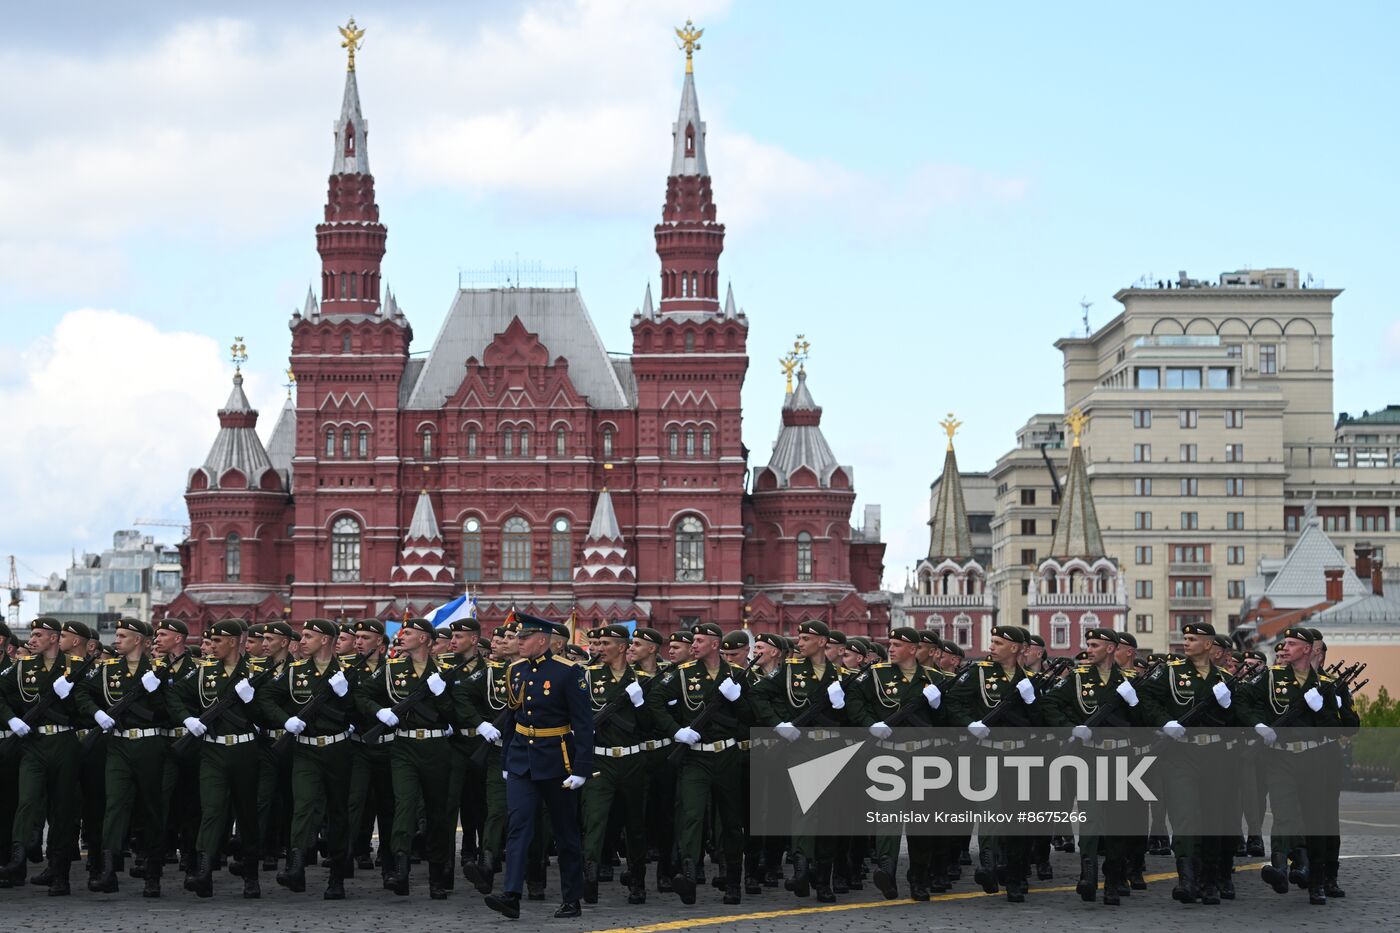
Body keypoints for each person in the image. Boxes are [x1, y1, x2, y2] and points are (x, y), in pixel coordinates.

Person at [483, 613, 593, 921]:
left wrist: (582, 768)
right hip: (521, 759)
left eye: (524, 638)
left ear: (542, 641)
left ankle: (572, 898)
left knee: (565, 833)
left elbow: (583, 725)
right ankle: (512, 895)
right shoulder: (515, 670)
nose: (518, 642)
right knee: (518, 827)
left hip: (558, 760)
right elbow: (511, 717)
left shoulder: (568, 672)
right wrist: (507, 759)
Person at [355, 616, 466, 899]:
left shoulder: (444, 671)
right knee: (404, 805)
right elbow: (362, 694)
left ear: (426, 639)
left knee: (437, 813)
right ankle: (400, 870)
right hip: (403, 746)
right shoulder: (392, 669)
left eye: (410, 633)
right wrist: (379, 711)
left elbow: (456, 715)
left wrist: (442, 696)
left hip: (437, 749)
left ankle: (437, 877)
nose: (402, 636)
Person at [645, 622, 750, 905]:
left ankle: (732, 882)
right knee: (691, 816)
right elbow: (654, 701)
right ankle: (688, 876)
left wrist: (738, 700)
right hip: (694, 756)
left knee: (731, 821)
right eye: (694, 640)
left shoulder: (738, 675)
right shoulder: (681, 674)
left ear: (715, 644)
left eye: (700, 640)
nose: (694, 645)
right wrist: (675, 730)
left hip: (727, 754)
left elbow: (751, 716)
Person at [1041, 627, 1143, 906]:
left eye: (1095, 644)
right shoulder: (1077, 678)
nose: (1089, 649)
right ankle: (1087, 875)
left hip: (1121, 759)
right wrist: (1070, 728)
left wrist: (1135, 702)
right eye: (1088, 644)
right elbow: (1049, 704)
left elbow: (1147, 719)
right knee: (1091, 816)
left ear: (1111, 648)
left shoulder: (1130, 681)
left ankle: (1113, 881)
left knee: (1119, 822)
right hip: (1090, 757)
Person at [254, 618, 355, 899]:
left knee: (337, 812)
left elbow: (358, 710)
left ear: (325, 640)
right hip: (306, 749)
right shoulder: (295, 671)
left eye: (309, 636)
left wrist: (346, 695)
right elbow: (265, 698)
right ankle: (296, 867)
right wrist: (286, 721)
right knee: (303, 806)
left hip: (338, 749)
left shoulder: (347, 672)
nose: (303, 641)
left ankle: (336, 878)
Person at [1138, 621, 1236, 906]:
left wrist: (1228, 704)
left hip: (1214, 756)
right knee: (1184, 815)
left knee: (1212, 817)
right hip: (1181, 754)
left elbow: (1234, 721)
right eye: (1185, 638)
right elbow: (1145, 697)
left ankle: (1209, 881)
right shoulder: (1170, 673)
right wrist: (1164, 722)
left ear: (1208, 644)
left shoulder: (1223, 679)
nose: (1186, 642)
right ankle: (1187, 879)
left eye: (1193, 638)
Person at [846, 627, 947, 900]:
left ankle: (919, 879)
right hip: (889, 755)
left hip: (923, 756)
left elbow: (949, 719)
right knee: (888, 819)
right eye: (889, 644)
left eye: (897, 645)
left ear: (913, 650)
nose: (890, 648)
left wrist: (939, 705)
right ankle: (886, 872)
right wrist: (871, 724)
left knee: (922, 822)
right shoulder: (877, 674)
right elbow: (853, 700)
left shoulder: (934, 678)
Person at [167, 618, 265, 898]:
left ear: (234, 642)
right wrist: (188, 719)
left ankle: (250, 874)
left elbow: (266, 714)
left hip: (245, 751)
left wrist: (251, 701)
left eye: (218, 641)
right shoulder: (203, 672)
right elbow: (173, 696)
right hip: (212, 750)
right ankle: (204, 873)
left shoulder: (255, 672)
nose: (211, 647)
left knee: (247, 814)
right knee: (212, 811)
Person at [73, 618, 170, 897]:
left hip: (149, 744)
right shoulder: (106, 669)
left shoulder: (158, 671)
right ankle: (107, 871)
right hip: (117, 745)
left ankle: (153, 874)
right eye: (116, 635)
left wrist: (156, 694)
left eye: (122, 635)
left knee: (151, 807)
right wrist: (97, 712)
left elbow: (170, 710)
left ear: (138, 640)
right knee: (114, 805)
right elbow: (81, 692)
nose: (116, 640)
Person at [750, 619, 846, 902]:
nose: (799, 642)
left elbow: (851, 716)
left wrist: (842, 704)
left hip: (831, 749)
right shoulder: (789, 671)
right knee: (804, 811)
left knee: (829, 816)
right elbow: (758, 693)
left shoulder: (839, 675)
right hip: (800, 748)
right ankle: (801, 871)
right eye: (799, 637)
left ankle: (823, 879)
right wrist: (778, 724)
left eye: (805, 638)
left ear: (822, 642)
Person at [944, 625, 1039, 903]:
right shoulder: (978, 673)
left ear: (1016, 648)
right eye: (992, 641)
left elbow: (1039, 720)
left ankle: (1016, 877)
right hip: (988, 753)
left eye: (998, 642)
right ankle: (988, 864)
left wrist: (1032, 699)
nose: (992, 646)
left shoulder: (1030, 680)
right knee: (990, 812)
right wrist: (970, 724)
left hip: (1020, 757)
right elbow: (953, 703)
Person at [0, 617, 88, 895]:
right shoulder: (22, 667)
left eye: (38, 634)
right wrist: (12, 720)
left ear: (54, 638)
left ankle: (59, 872)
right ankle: (17, 858)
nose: (32, 639)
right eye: (32, 634)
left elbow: (90, 706)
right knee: (27, 801)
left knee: (62, 810)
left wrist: (71, 695)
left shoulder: (76, 668)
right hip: (34, 743)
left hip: (64, 741)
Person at [580, 624, 651, 905]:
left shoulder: (642, 679)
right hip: (600, 759)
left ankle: (637, 882)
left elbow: (649, 726)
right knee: (595, 821)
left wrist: (640, 702)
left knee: (635, 824)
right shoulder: (588, 675)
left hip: (633, 759)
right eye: (598, 644)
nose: (600, 648)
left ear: (622, 647)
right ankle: (589, 881)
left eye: (607, 643)